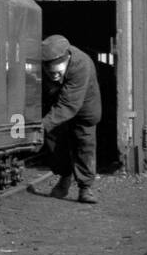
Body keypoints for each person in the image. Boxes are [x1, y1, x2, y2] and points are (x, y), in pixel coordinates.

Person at [34, 34, 101, 203]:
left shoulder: (81, 64)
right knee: (53, 141)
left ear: (67, 60)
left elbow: (68, 105)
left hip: (83, 109)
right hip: (56, 105)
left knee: (84, 144)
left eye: (57, 73)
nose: (53, 76)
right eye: (49, 73)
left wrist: (40, 126)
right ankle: (64, 176)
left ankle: (85, 187)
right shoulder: (43, 65)